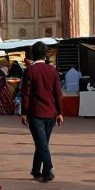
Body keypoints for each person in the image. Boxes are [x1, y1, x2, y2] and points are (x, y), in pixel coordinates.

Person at [20, 41, 63, 182]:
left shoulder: (30, 70)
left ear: (33, 54)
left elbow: (25, 93)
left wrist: (24, 112)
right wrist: (60, 112)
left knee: (42, 143)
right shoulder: (53, 70)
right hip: (51, 112)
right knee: (42, 142)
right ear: (46, 54)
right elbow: (58, 93)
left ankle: (48, 169)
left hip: (36, 112)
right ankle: (37, 170)